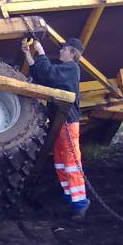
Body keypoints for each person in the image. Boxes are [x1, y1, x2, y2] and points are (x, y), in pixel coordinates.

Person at [21, 37, 91, 220]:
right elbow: (42, 75)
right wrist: (29, 54)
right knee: (61, 160)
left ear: (72, 53)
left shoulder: (72, 68)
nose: (61, 51)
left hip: (68, 123)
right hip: (61, 122)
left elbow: (49, 74)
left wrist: (41, 51)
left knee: (70, 162)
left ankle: (80, 203)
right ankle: (70, 198)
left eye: (64, 49)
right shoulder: (65, 69)